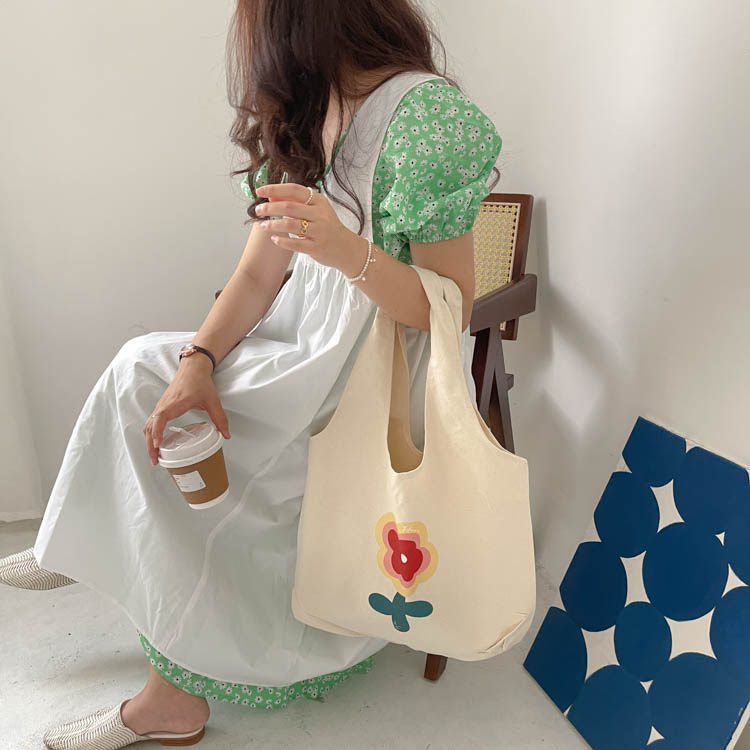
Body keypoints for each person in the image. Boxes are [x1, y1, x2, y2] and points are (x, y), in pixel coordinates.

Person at [0, 1, 503, 747]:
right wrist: (198, 362)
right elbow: (258, 273)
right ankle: (81, 537)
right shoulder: (308, 106)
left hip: (373, 381)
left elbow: (447, 309)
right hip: (300, 348)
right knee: (144, 373)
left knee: (239, 462)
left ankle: (170, 699)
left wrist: (345, 250)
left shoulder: (425, 121)